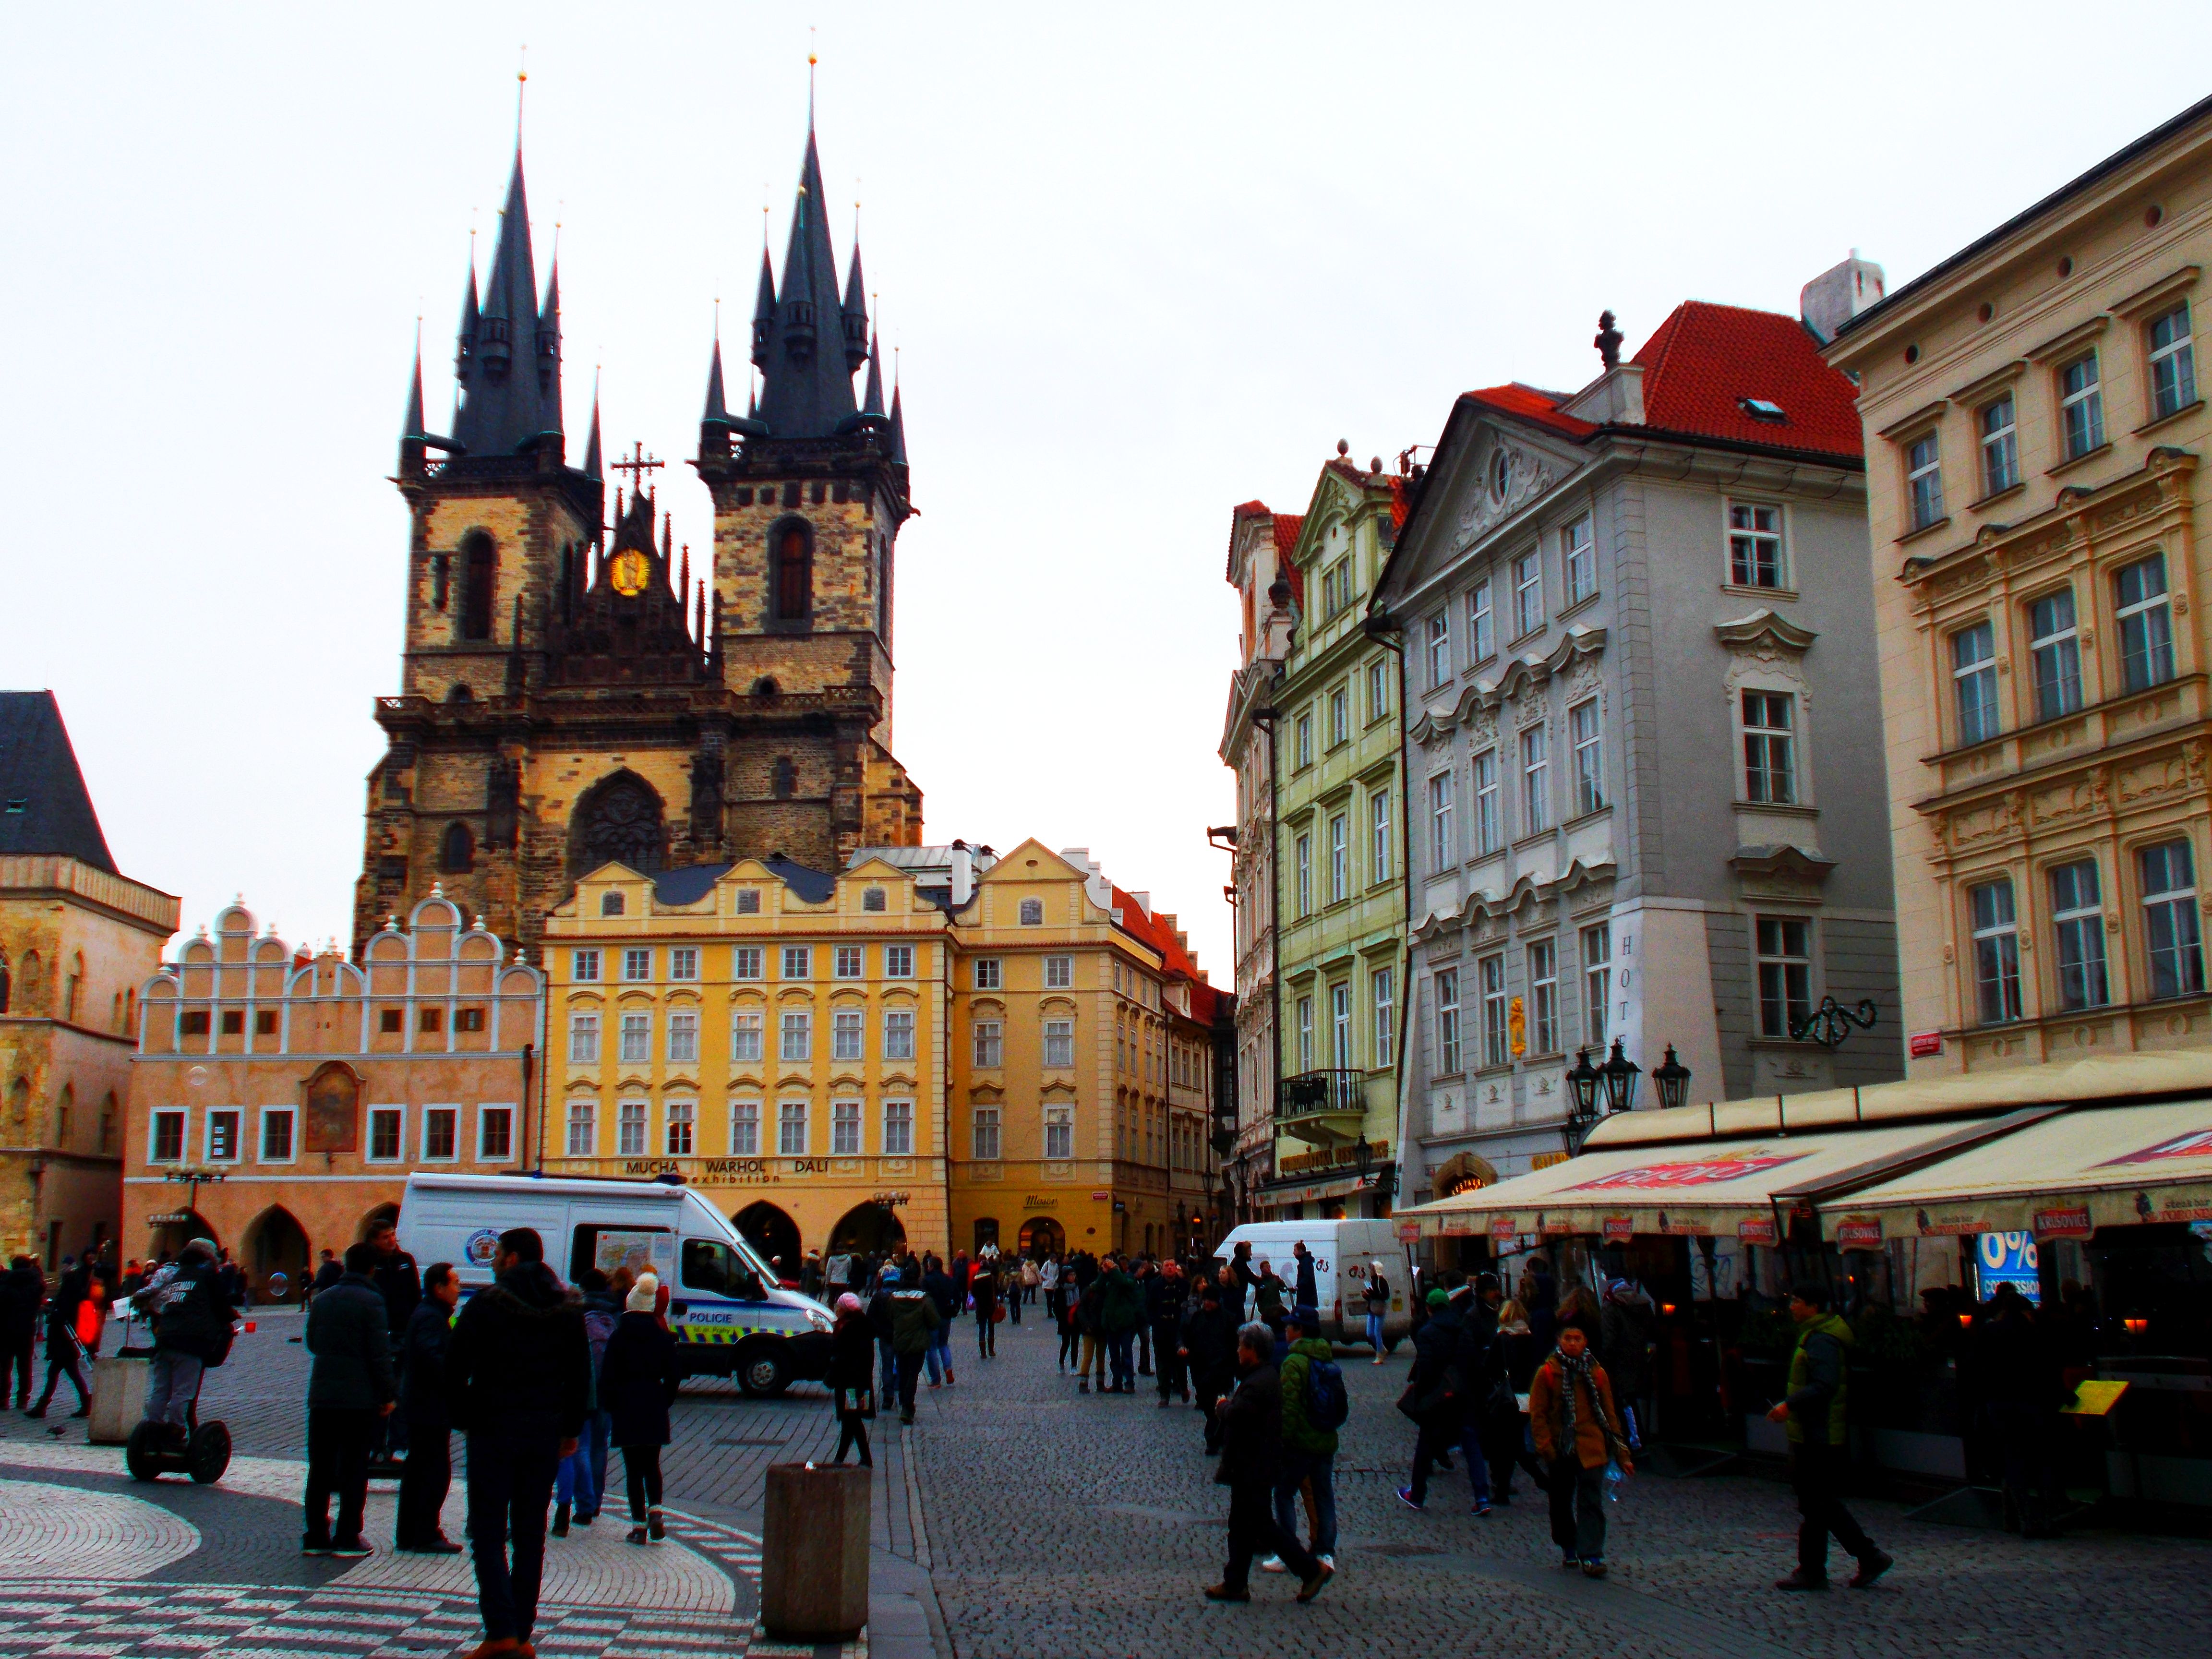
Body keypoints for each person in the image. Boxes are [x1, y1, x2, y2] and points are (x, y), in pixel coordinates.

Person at [444, 1227, 592, 1659]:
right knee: (530, 1534)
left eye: (497, 1255)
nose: (492, 1261)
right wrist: (569, 1430)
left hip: (492, 1427)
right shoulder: (567, 1308)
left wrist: (464, 1416)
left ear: (510, 1259)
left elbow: (454, 1365)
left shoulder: (487, 1305)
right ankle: (522, 1635)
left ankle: (501, 1632)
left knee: (488, 1531)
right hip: (544, 1431)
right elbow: (581, 1374)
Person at [1768, 1282, 1891, 1591]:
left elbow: (1825, 1386)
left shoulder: (1822, 1340)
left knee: (1818, 1503)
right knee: (1817, 1504)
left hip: (1818, 1433)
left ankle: (1857, 1558)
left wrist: (1790, 1405)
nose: (1791, 1306)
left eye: (1796, 1301)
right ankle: (1822, 1566)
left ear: (1813, 1307)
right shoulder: (1815, 1335)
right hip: (1813, 1431)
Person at [1204, 1322, 1332, 1605]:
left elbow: (1240, 1414)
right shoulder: (1261, 1376)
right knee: (1241, 1525)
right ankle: (1235, 1582)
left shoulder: (1260, 1382)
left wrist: (1223, 1406)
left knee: (1260, 1526)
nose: (1238, 1351)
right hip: (1252, 1465)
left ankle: (1311, 1570)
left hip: (1253, 1466)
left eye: (1241, 1346)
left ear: (1253, 1350)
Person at [303, 1241, 396, 1558]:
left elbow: (313, 1343)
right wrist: (388, 1394)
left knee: (320, 1468)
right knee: (354, 1468)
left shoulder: (324, 1299)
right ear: (372, 1269)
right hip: (359, 1400)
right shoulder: (373, 1301)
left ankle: (315, 1535)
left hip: (323, 1397)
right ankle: (348, 1536)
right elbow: (379, 1355)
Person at [1978, 1282, 2068, 1537]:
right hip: (2033, 1403)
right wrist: (2064, 1395)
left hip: (2000, 1405)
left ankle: (2025, 1519)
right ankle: (2048, 1518)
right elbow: (2049, 1370)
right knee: (2041, 1460)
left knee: (2013, 1460)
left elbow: (1978, 1367)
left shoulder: (1990, 1332)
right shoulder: (2034, 1333)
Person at [599, 1272, 681, 1545]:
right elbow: (674, 1373)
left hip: (627, 1404)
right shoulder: (662, 1338)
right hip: (653, 1401)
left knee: (633, 1469)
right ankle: (656, 1510)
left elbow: (607, 1375)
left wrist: (610, 1404)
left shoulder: (619, 1337)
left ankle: (638, 1526)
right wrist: (665, 1398)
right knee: (652, 1464)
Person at [123, 1238, 233, 1432]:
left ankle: (153, 1427)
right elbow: (221, 1305)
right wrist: (229, 1319)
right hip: (190, 1341)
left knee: (161, 1390)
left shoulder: (177, 1275)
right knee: (183, 1391)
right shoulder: (207, 1275)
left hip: (165, 1339)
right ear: (208, 1256)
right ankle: (176, 1430)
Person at [396, 1262, 463, 1553]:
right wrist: (458, 1377)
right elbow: (431, 1357)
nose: (459, 1289)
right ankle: (425, 1532)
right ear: (439, 1288)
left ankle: (412, 1532)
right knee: (433, 1472)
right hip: (429, 1408)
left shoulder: (432, 1314)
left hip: (424, 1406)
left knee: (420, 1470)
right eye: (455, 1283)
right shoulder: (431, 1318)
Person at [1270, 1306, 1340, 1573]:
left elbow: (1289, 1408)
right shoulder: (1326, 1358)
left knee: (1284, 1492)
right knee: (1324, 1496)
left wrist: (1282, 1442)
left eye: (1290, 1327)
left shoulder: (1294, 1362)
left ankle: (1288, 1551)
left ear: (1300, 1331)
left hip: (1300, 1443)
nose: (1286, 1330)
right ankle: (1325, 1553)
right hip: (1325, 1439)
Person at [555, 1267, 620, 1535]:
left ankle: (578, 1504)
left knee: (576, 1450)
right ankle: (595, 1503)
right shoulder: (615, 1313)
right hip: (606, 1391)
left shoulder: (574, 1318)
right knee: (599, 1448)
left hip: (581, 1395)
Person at [1397, 1289, 1468, 1511]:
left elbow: (1426, 1368)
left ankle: (1417, 1493)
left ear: (1429, 1308)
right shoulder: (1462, 1326)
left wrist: (1422, 1394)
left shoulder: (1428, 1332)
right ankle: (1482, 1495)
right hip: (1461, 1391)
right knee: (1469, 1440)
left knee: (1425, 1443)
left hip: (1437, 1393)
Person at [871, 1263, 942, 1424]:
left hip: (900, 1341)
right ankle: (907, 1406)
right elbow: (934, 1321)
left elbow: (889, 1317)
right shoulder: (924, 1298)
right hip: (918, 1342)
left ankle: (904, 1400)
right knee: (913, 1374)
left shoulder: (893, 1298)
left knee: (903, 1372)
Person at [1598, 1280, 1654, 1448]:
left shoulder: (1611, 1307)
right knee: (1639, 1398)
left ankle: (1634, 1439)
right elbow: (1652, 1332)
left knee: (1625, 1401)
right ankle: (1643, 1435)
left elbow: (1609, 1339)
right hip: (1640, 1359)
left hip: (1619, 1362)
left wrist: (1605, 1361)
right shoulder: (1644, 1304)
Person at [1184, 1277, 1236, 1453]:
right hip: (1200, 1369)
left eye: (1210, 1301)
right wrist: (1182, 1347)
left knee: (1216, 1405)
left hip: (1222, 1370)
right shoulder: (1196, 1318)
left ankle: (1212, 1439)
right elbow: (1185, 1336)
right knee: (1207, 1405)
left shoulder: (1228, 1319)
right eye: (1205, 1300)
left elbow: (1234, 1345)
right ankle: (1219, 1433)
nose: (1207, 1304)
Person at [829, 1293, 877, 1466]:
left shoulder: (850, 1328)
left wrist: (832, 1375)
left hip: (851, 1383)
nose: (836, 1307)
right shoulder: (861, 1326)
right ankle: (846, 1459)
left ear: (845, 1309)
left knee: (852, 1421)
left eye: (839, 1305)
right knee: (852, 1421)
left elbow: (845, 1357)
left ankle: (850, 1459)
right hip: (859, 1382)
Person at [0, 1257, 40, 1408]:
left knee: (4, 1366)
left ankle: (3, 1398)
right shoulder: (36, 1283)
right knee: (25, 1366)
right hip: (27, 1329)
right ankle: (23, 1398)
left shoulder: (6, 1283)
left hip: (6, 1329)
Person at [1100, 1255, 1142, 1394]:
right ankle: (1117, 1383)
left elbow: (1124, 1283)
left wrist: (1114, 1271)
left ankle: (1129, 1383)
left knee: (1126, 1355)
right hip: (1111, 1323)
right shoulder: (1109, 1281)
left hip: (1124, 1323)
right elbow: (1096, 1286)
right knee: (1114, 1356)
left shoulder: (1128, 1280)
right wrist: (1104, 1273)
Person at [1149, 1258, 1189, 1407]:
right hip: (1161, 1330)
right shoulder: (1155, 1285)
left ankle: (1183, 1387)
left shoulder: (1184, 1285)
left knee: (1181, 1362)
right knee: (1162, 1363)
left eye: (1173, 1265)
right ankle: (1164, 1395)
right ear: (1162, 1270)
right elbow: (1150, 1306)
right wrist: (1155, 1321)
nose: (1171, 1268)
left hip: (1179, 1329)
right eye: (1167, 1266)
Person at [921, 1254, 958, 1387]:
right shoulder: (949, 1280)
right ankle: (948, 1368)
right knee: (943, 1344)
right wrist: (955, 1310)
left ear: (931, 1266)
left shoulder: (927, 1281)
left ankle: (936, 1380)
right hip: (946, 1316)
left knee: (931, 1348)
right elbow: (957, 1295)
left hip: (932, 1317)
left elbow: (923, 1299)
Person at [1076, 1269, 1108, 1394]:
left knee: (1101, 1357)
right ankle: (1083, 1384)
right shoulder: (1090, 1291)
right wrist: (1087, 1325)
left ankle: (1099, 1383)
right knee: (1088, 1357)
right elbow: (1081, 1309)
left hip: (1101, 1328)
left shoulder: (1106, 1291)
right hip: (1090, 1329)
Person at [969, 1257, 999, 1359]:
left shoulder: (976, 1279)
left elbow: (973, 1292)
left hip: (981, 1306)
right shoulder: (992, 1278)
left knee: (982, 1329)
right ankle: (991, 1351)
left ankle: (983, 1353)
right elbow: (998, 1291)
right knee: (991, 1328)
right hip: (991, 1306)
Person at [1362, 1260, 1391, 1363]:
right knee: (1370, 1333)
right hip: (1372, 1308)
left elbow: (1385, 1296)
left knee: (1377, 1332)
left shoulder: (1382, 1282)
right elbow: (1373, 1296)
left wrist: (1372, 1293)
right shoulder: (1373, 1281)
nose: (1371, 1271)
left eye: (1372, 1269)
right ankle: (1382, 1349)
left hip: (1379, 1309)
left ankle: (1379, 1356)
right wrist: (1367, 1296)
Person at [1291, 1242, 1318, 1312]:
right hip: (1308, 1297)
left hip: (1306, 1297)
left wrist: (1298, 1286)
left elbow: (1307, 1277)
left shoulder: (1305, 1262)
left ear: (1300, 1251)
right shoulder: (1305, 1261)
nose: (1293, 1253)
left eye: (1295, 1250)